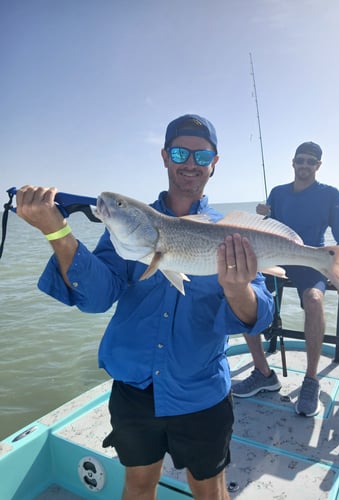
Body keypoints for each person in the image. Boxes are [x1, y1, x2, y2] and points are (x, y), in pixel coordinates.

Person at [15, 114, 274, 500]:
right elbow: (97, 297)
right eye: (180, 152)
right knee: (137, 484)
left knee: (210, 489)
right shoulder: (128, 226)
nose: (190, 163)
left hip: (200, 391)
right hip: (134, 389)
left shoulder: (232, 234)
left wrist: (237, 290)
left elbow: (259, 316)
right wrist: (57, 231)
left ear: (214, 163)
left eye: (202, 157)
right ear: (165, 156)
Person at [232, 141, 339, 418]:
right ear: (293, 162)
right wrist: (264, 214)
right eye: (300, 160)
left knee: (313, 300)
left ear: (318, 166)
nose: (305, 165)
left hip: (310, 261)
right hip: (274, 258)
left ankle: (311, 380)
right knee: (240, 293)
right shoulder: (277, 192)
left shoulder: (330, 194)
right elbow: (267, 229)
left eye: (311, 161)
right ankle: (263, 372)